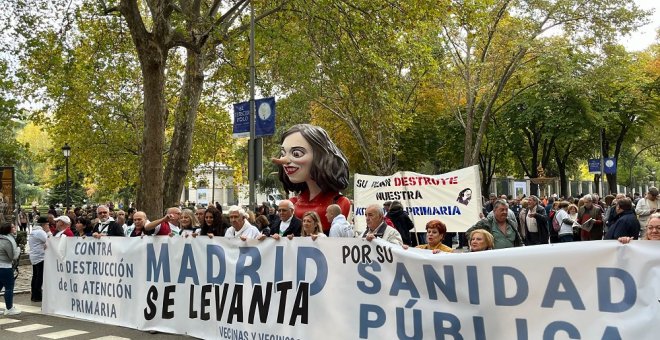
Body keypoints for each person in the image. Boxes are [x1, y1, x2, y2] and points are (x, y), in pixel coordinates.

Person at [272, 124, 351, 233]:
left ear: (320, 155)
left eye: (296, 153)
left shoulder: (339, 203)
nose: (285, 161)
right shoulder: (292, 202)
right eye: (283, 153)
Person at [0, 222, 20, 315]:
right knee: (9, 288)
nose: (14, 228)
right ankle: (9, 308)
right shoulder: (7, 241)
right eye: (12, 227)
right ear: (8, 229)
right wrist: (18, 249)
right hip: (5, 267)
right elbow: (12, 256)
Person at [28, 217, 48, 302]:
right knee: (39, 277)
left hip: (34, 256)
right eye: (47, 224)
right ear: (43, 224)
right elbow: (48, 240)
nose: (48, 226)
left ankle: (34, 295)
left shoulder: (34, 231)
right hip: (40, 257)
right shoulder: (40, 232)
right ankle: (37, 296)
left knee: (35, 276)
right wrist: (48, 231)